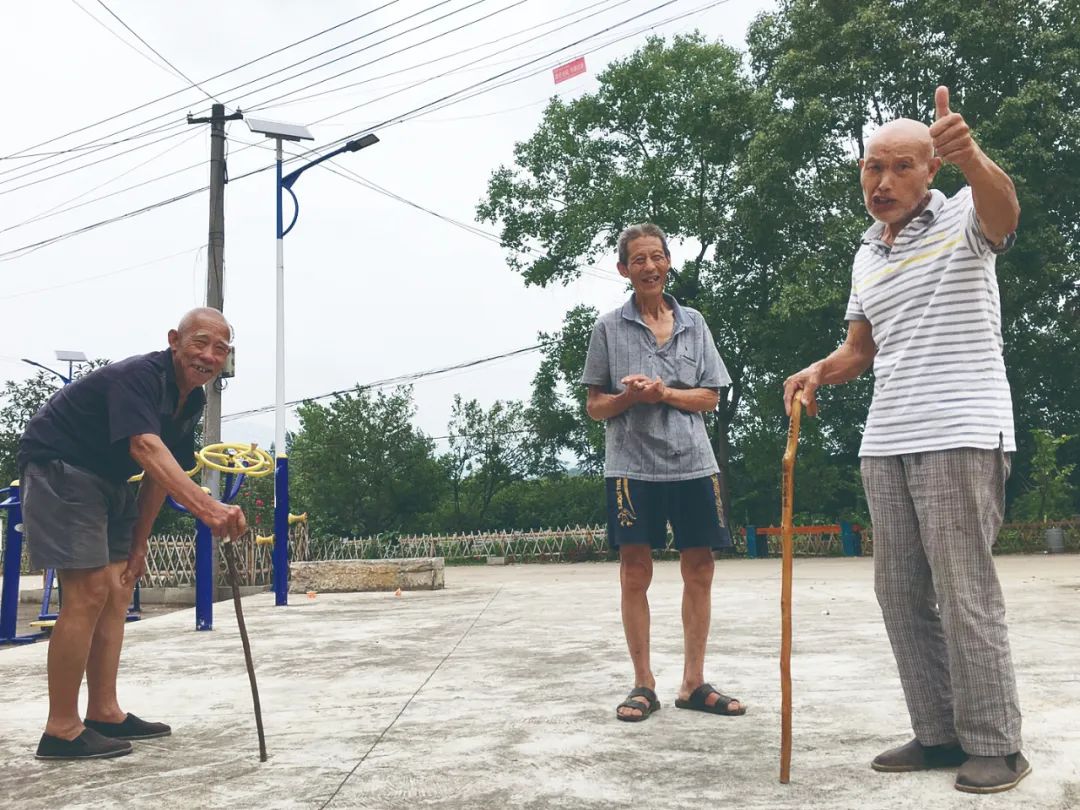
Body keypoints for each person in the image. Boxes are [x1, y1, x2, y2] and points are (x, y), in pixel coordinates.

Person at [783, 87, 1028, 794]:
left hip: (960, 428)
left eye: (899, 168)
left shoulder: (964, 219)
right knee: (899, 591)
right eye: (871, 168)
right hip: (887, 437)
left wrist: (971, 154)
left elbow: (1006, 212)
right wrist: (816, 371)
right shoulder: (867, 253)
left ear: (930, 171)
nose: (882, 182)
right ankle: (939, 733)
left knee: (963, 591)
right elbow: (860, 349)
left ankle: (998, 745)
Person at [19, 307, 248, 760]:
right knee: (85, 594)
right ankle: (61, 728)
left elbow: (163, 473)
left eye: (219, 348)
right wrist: (208, 508)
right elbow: (144, 445)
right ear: (174, 341)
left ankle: (104, 710)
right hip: (62, 467)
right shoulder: (140, 377)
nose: (208, 355)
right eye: (199, 342)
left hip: (109, 480)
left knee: (118, 590)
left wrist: (140, 543)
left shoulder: (192, 400)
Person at [581, 223, 744, 723]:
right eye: (638, 260)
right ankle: (643, 684)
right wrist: (629, 397)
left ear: (669, 262)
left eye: (657, 257)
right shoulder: (608, 328)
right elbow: (594, 407)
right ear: (623, 269)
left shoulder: (694, 322)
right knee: (635, 570)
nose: (649, 267)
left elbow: (711, 397)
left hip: (695, 463)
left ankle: (693, 683)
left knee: (700, 567)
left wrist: (665, 393)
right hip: (632, 466)